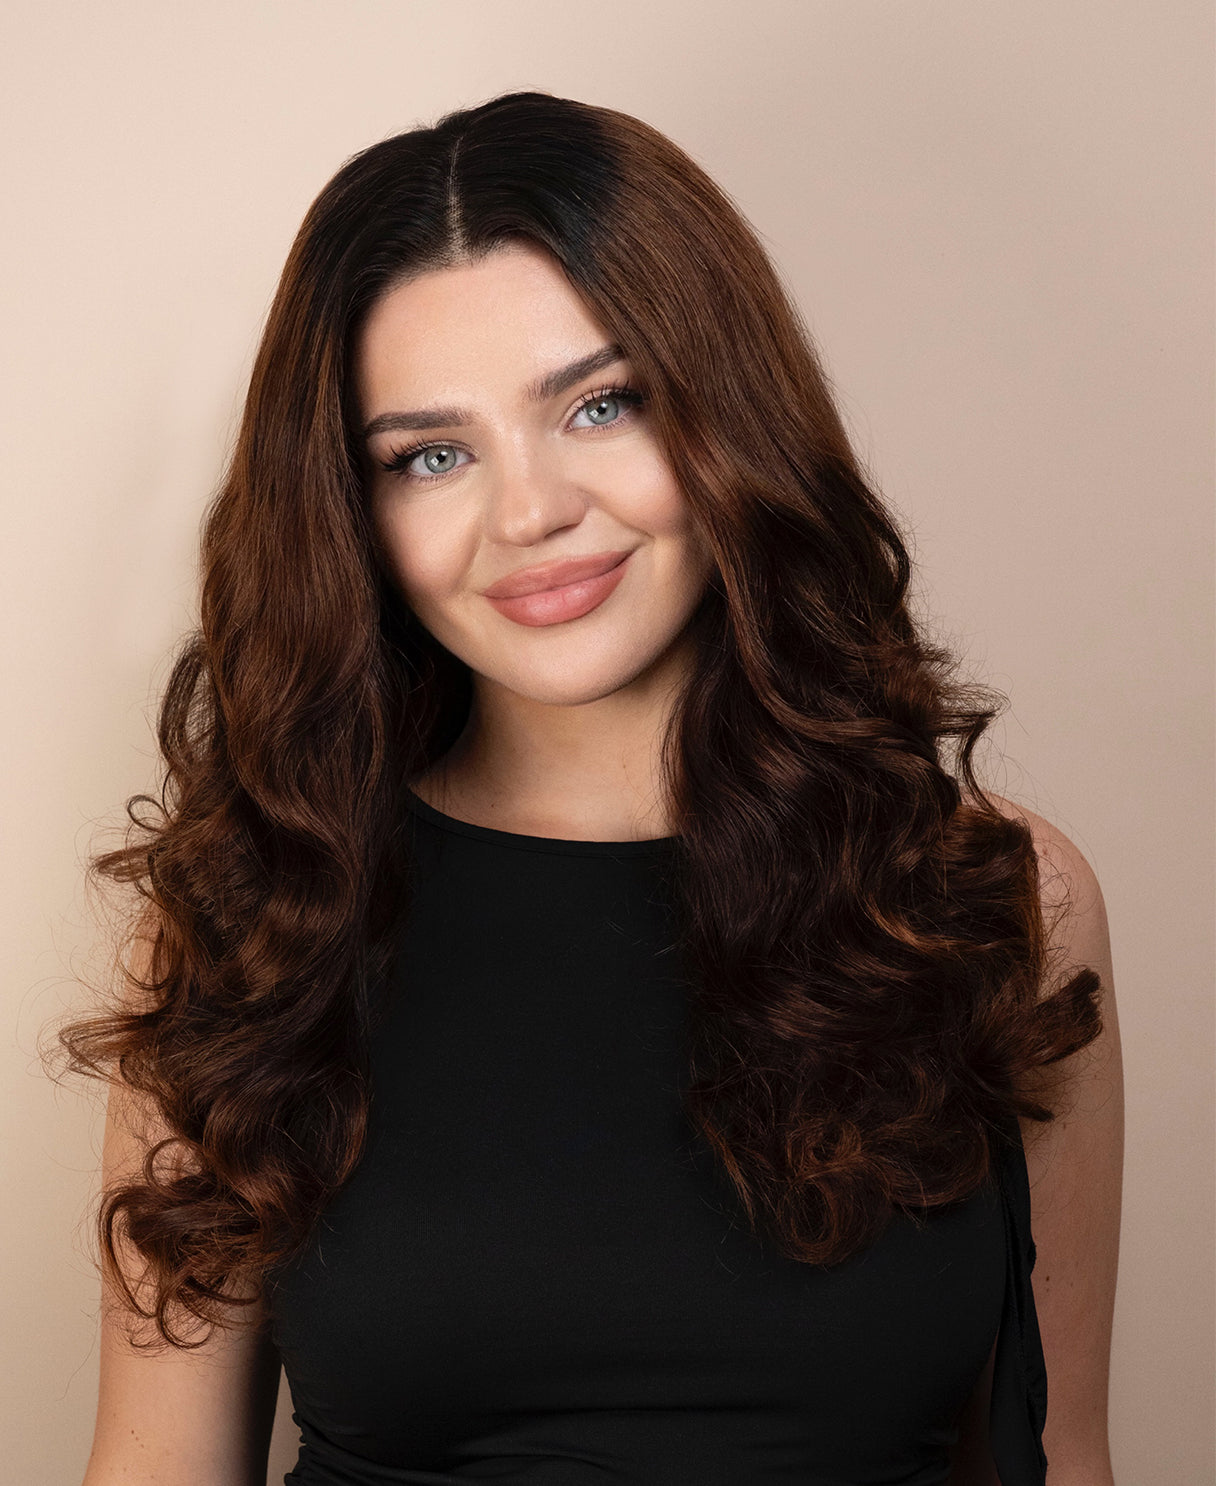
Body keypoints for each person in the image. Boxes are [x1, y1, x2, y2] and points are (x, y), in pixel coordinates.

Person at [64, 90, 1123, 1486]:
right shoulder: (258, 927)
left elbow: (1062, 1456)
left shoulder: (988, 900)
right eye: (430, 455)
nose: (530, 513)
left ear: (723, 407)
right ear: (353, 511)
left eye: (600, 403)